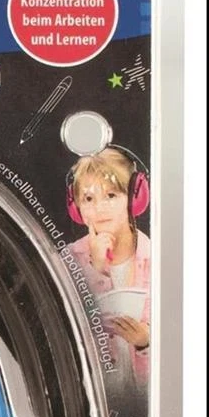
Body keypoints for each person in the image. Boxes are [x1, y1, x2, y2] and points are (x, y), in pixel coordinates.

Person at [66, 147, 151, 391]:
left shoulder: (154, 258)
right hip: (93, 392)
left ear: (134, 199)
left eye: (111, 195)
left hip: (142, 394)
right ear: (76, 207)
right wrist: (95, 267)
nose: (99, 208)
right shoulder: (70, 259)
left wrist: (145, 342)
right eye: (88, 199)